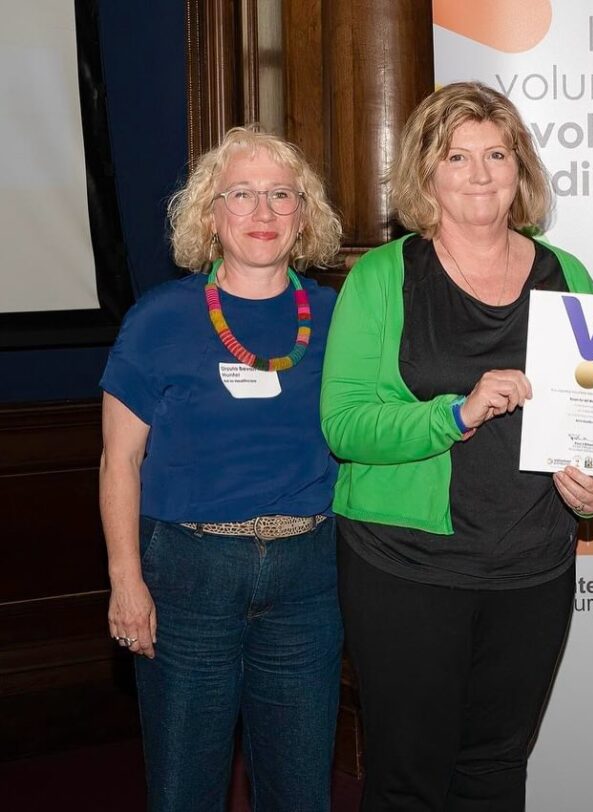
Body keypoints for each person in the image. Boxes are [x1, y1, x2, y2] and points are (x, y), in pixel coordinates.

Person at [320, 81, 593, 810]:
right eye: (458, 156)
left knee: (495, 770)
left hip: (531, 567)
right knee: (408, 777)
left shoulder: (567, 274)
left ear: (521, 169)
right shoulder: (383, 277)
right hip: (406, 567)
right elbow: (345, 423)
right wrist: (453, 414)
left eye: (497, 154)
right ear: (428, 173)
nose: (481, 173)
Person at [99, 125, 344, 811]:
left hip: (308, 582)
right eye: (242, 194)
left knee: (300, 792)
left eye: (280, 195)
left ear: (304, 216)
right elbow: (119, 460)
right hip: (189, 580)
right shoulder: (159, 320)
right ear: (211, 213)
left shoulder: (338, 318)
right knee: (185, 791)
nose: (263, 213)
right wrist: (125, 582)